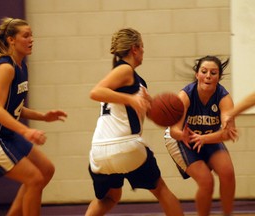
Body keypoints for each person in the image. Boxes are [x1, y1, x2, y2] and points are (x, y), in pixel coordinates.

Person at [0, 17, 67, 216]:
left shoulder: (21, 66)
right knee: (34, 179)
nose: (31, 39)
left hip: (5, 133)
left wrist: (43, 117)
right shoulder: (5, 68)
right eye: (26, 35)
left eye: (32, 35)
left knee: (46, 170)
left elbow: (13, 108)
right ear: (11, 40)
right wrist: (26, 130)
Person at [85, 28, 184, 216]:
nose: (144, 51)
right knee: (161, 190)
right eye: (143, 47)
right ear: (135, 48)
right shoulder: (124, 69)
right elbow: (95, 92)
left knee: (110, 197)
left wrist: (153, 106)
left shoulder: (136, 81)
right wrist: (131, 100)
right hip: (126, 147)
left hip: (99, 151)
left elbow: (141, 113)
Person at [165, 55, 236, 216]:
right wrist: (182, 135)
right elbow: (174, 130)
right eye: (204, 71)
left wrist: (206, 137)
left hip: (208, 137)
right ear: (197, 74)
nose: (208, 76)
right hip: (182, 139)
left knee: (228, 173)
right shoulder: (185, 96)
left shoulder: (223, 97)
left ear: (219, 77)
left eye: (213, 73)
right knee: (206, 181)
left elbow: (227, 133)